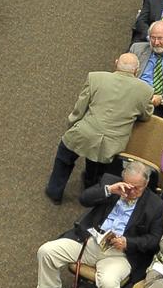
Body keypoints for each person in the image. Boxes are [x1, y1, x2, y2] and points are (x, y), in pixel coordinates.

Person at [31, 162, 163, 288]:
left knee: (110, 285)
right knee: (46, 251)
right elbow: (84, 199)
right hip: (90, 241)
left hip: (120, 254)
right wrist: (109, 190)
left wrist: (128, 242)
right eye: (127, 186)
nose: (130, 192)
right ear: (123, 179)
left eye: (136, 189)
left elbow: (154, 240)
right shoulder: (110, 182)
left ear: (146, 184)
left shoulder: (156, 205)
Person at [45, 53, 153, 202]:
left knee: (65, 156)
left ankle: (54, 192)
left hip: (85, 132)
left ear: (116, 63)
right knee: (96, 168)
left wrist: (71, 125)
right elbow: (145, 115)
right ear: (137, 70)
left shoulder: (95, 78)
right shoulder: (145, 90)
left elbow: (80, 108)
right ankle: (90, 192)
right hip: (111, 143)